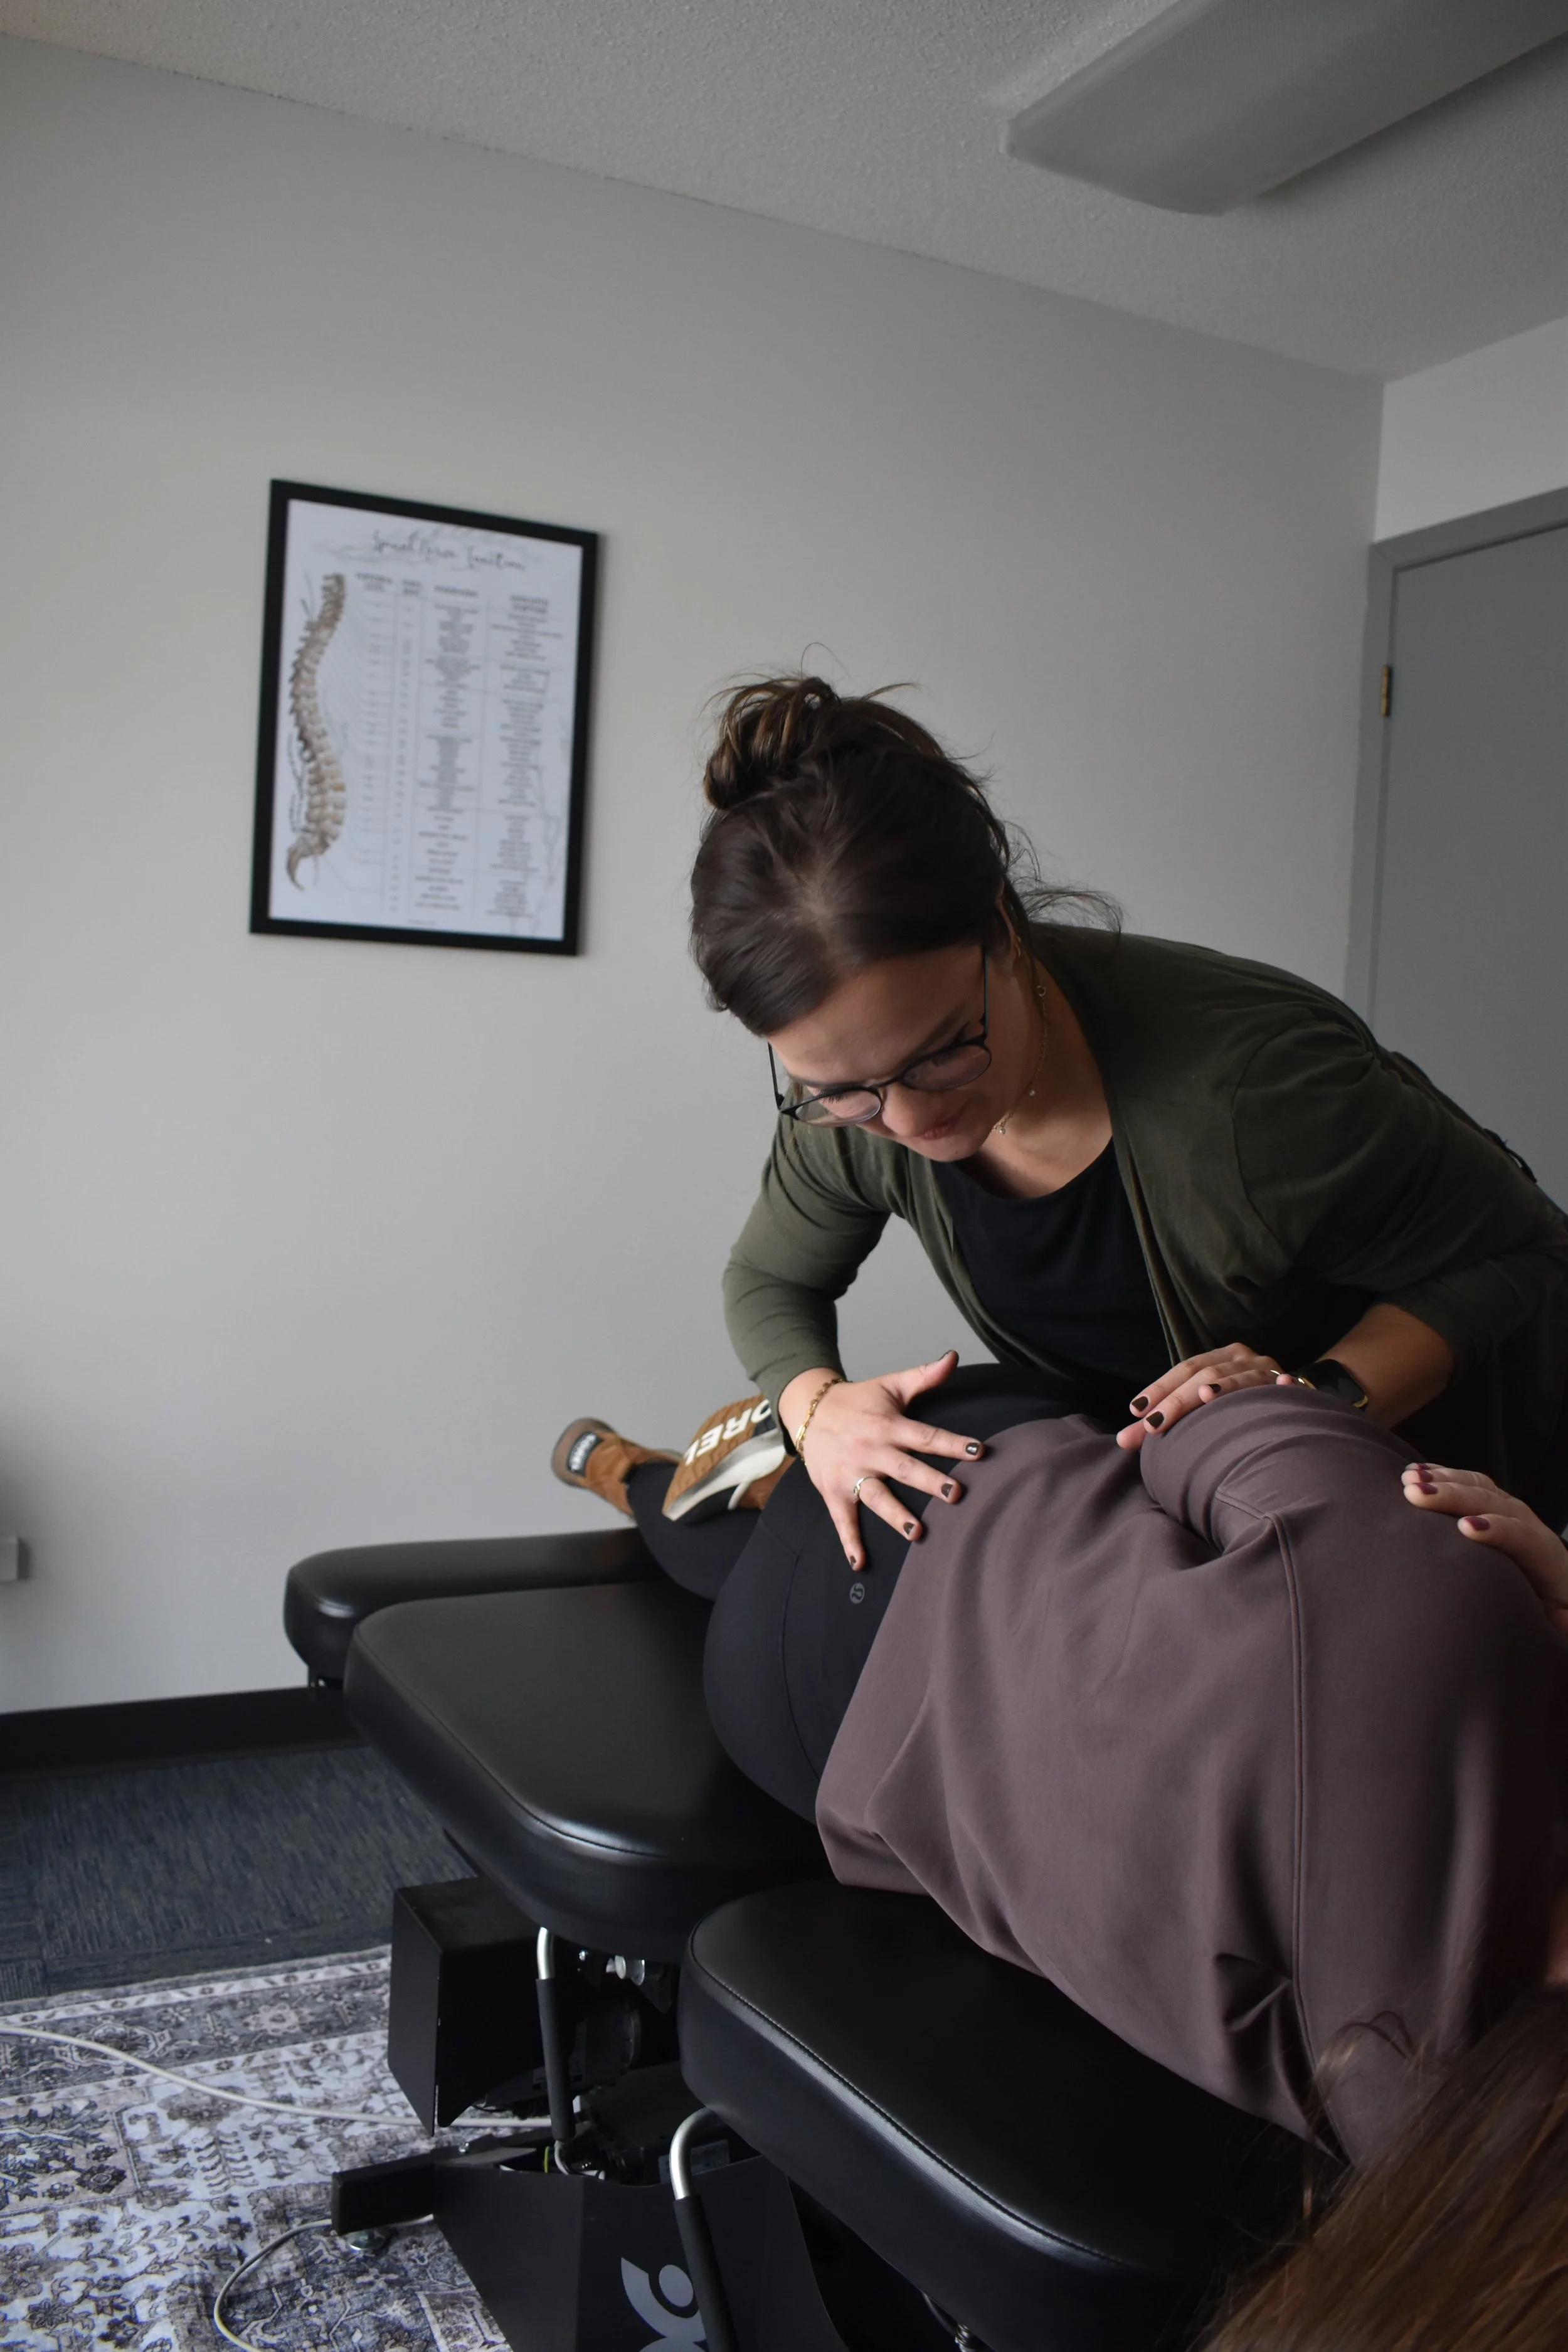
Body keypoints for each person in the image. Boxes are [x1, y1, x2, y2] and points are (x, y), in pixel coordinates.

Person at [683, 672, 1568, 1579]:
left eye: (940, 1051)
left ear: (999, 922)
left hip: (1443, 1504)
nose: (903, 1118)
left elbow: (1521, 1250)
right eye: (840, 1088)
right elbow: (768, 1277)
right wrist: (814, 1407)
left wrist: (1311, 1397)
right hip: (1187, 1512)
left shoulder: (1256, 1091)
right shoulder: (852, 1110)